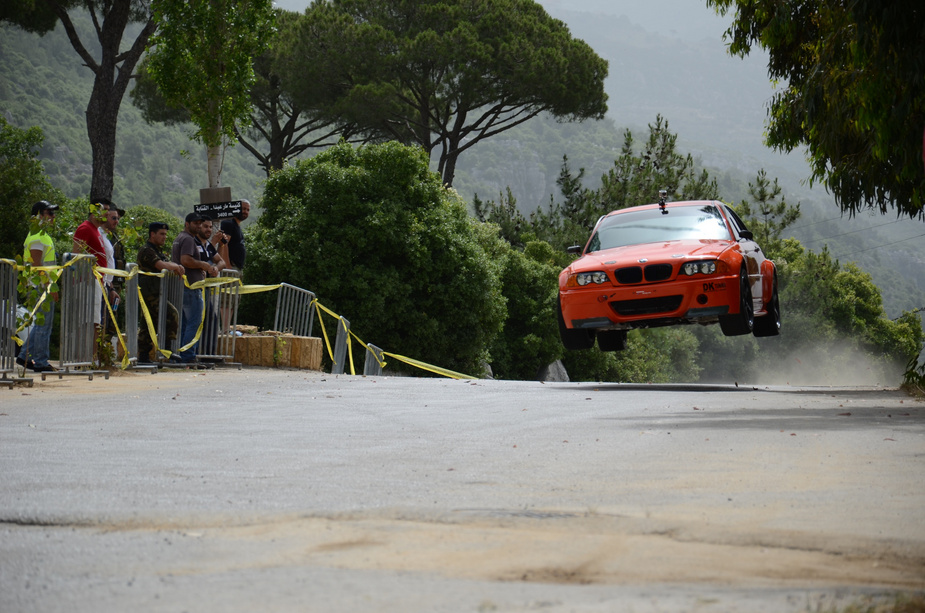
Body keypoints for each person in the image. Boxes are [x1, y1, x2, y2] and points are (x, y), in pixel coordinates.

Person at [16, 200, 59, 373]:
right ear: (39, 216)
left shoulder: (41, 234)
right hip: (39, 286)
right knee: (44, 325)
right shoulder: (37, 237)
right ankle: (40, 361)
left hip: (40, 285)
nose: (53, 217)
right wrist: (49, 287)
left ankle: (24, 355)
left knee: (42, 323)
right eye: (50, 213)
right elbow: (37, 265)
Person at [171, 212, 219, 364]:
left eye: (200, 223)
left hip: (185, 286)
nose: (198, 226)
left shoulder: (180, 238)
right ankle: (188, 356)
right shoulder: (188, 239)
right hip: (191, 287)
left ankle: (182, 354)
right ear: (187, 224)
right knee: (194, 322)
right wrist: (203, 265)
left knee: (185, 323)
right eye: (195, 223)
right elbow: (186, 260)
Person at [136, 222, 183, 364]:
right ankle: (167, 351)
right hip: (149, 293)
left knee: (148, 324)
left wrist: (175, 267)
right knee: (171, 314)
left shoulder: (157, 250)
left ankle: (144, 357)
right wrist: (176, 266)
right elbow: (161, 265)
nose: (164, 237)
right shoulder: (147, 250)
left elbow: (166, 263)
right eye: (161, 234)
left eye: (165, 234)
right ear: (152, 234)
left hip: (156, 292)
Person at [72, 200, 109, 335]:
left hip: (96, 281)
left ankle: (91, 355)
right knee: (88, 322)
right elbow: (76, 255)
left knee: (95, 321)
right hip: (87, 281)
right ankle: (85, 356)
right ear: (94, 213)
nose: (106, 214)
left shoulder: (96, 230)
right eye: (104, 210)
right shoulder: (85, 228)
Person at [196, 216, 227, 356]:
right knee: (195, 323)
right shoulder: (192, 242)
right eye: (205, 226)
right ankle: (193, 354)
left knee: (212, 320)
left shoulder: (208, 245)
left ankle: (208, 355)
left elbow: (221, 262)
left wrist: (215, 269)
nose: (208, 229)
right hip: (194, 289)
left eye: (210, 227)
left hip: (206, 290)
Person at [220, 199, 249, 270]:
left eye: (248, 210)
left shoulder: (237, 226)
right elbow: (223, 244)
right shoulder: (229, 224)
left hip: (237, 267)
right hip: (231, 268)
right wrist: (227, 265)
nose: (245, 211)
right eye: (243, 209)